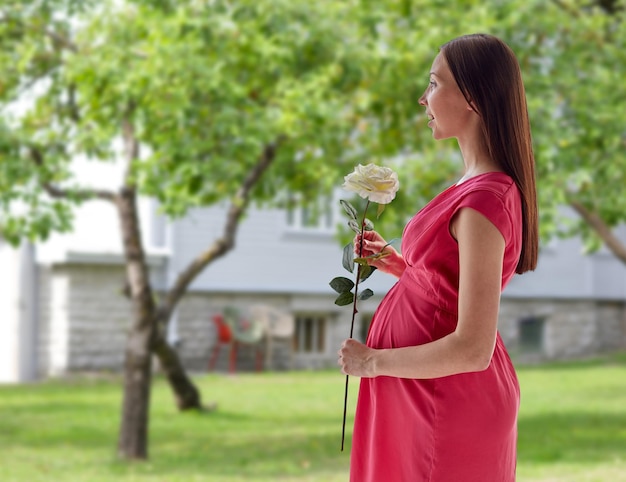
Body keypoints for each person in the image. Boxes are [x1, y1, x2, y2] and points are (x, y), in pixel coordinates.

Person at [338, 33, 538, 482]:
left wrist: (373, 362)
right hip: (420, 392)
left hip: (442, 400)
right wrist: (398, 265)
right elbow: (449, 288)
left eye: (433, 83)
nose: (422, 98)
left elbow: (472, 348)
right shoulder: (472, 186)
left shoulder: (487, 197)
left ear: (471, 96)